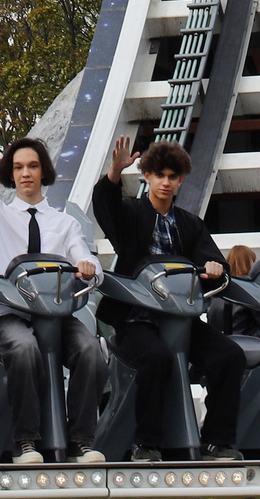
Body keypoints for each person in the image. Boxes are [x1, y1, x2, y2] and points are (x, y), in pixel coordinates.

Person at [0, 84, 109, 466]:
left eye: (32, 166)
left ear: (43, 171)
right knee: (24, 349)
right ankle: (27, 442)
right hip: (10, 317)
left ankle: (82, 440)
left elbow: (89, 263)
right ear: (10, 174)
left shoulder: (64, 223)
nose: (25, 173)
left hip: (57, 316)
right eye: (18, 167)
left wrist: (88, 268)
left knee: (91, 353)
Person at [93, 137, 245, 461]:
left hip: (180, 320)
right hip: (135, 319)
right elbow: (106, 208)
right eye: (159, 174)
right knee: (156, 357)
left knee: (229, 355)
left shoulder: (189, 224)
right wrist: (114, 173)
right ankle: (146, 444)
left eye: (172, 176)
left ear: (180, 181)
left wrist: (217, 269)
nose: (165, 182)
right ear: (146, 176)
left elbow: (216, 265)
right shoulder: (132, 214)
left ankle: (217, 441)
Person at [214, 244, 260, 340]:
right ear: (250, 263)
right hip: (247, 342)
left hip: (219, 343)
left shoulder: (218, 288)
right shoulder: (250, 289)